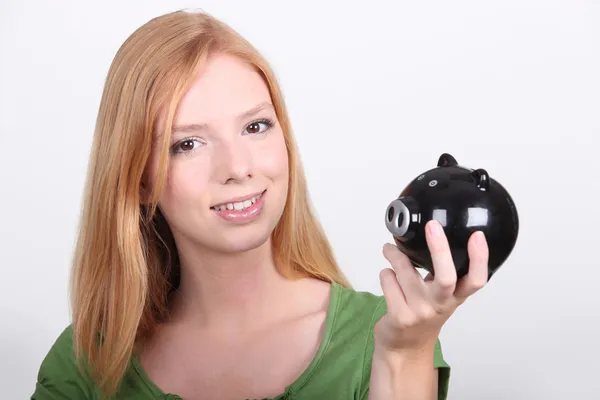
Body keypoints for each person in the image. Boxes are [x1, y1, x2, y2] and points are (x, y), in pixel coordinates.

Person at [31, 9, 489, 400]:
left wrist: (404, 354)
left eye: (255, 127)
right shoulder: (86, 363)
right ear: (140, 180)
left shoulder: (382, 336)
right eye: (187, 143)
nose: (237, 167)